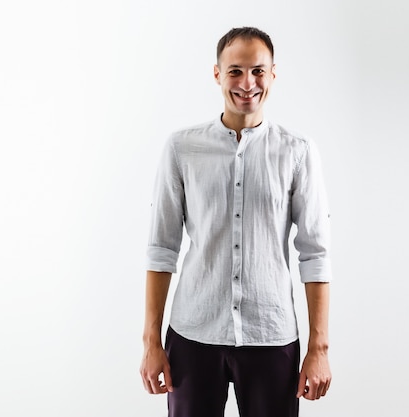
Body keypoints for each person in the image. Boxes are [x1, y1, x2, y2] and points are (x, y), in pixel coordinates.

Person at [140, 26, 332, 417]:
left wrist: (318, 349)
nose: (248, 83)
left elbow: (315, 254)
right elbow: (162, 249)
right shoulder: (182, 148)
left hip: (271, 334)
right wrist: (151, 342)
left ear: (273, 74)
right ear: (217, 74)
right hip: (194, 333)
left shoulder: (297, 152)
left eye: (258, 71)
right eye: (235, 71)